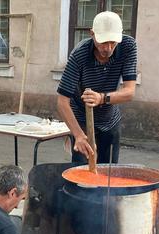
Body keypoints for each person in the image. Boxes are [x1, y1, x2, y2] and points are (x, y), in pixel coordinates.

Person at [57, 11, 137, 164]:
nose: (108, 48)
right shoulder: (79, 55)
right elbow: (62, 102)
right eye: (103, 43)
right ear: (92, 34)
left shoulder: (128, 46)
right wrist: (79, 135)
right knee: (81, 174)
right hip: (81, 120)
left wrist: (101, 98)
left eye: (113, 43)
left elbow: (129, 92)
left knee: (109, 175)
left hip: (110, 120)